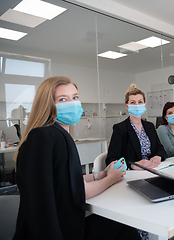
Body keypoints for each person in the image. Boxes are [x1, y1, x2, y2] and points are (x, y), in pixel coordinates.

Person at [13, 76, 140, 240]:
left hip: (62, 228)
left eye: (75, 97)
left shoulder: (49, 135)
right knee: (124, 222)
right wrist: (111, 179)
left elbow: (62, 181)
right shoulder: (50, 136)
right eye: (62, 99)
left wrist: (100, 175)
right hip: (60, 233)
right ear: (48, 105)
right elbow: (77, 192)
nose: (72, 103)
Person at [106, 84, 167, 170]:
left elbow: (160, 149)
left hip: (153, 169)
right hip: (133, 173)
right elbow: (111, 160)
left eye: (140, 102)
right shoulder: (120, 128)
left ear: (144, 105)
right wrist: (133, 165)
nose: (137, 105)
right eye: (132, 102)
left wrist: (158, 156)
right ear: (127, 106)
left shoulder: (149, 126)